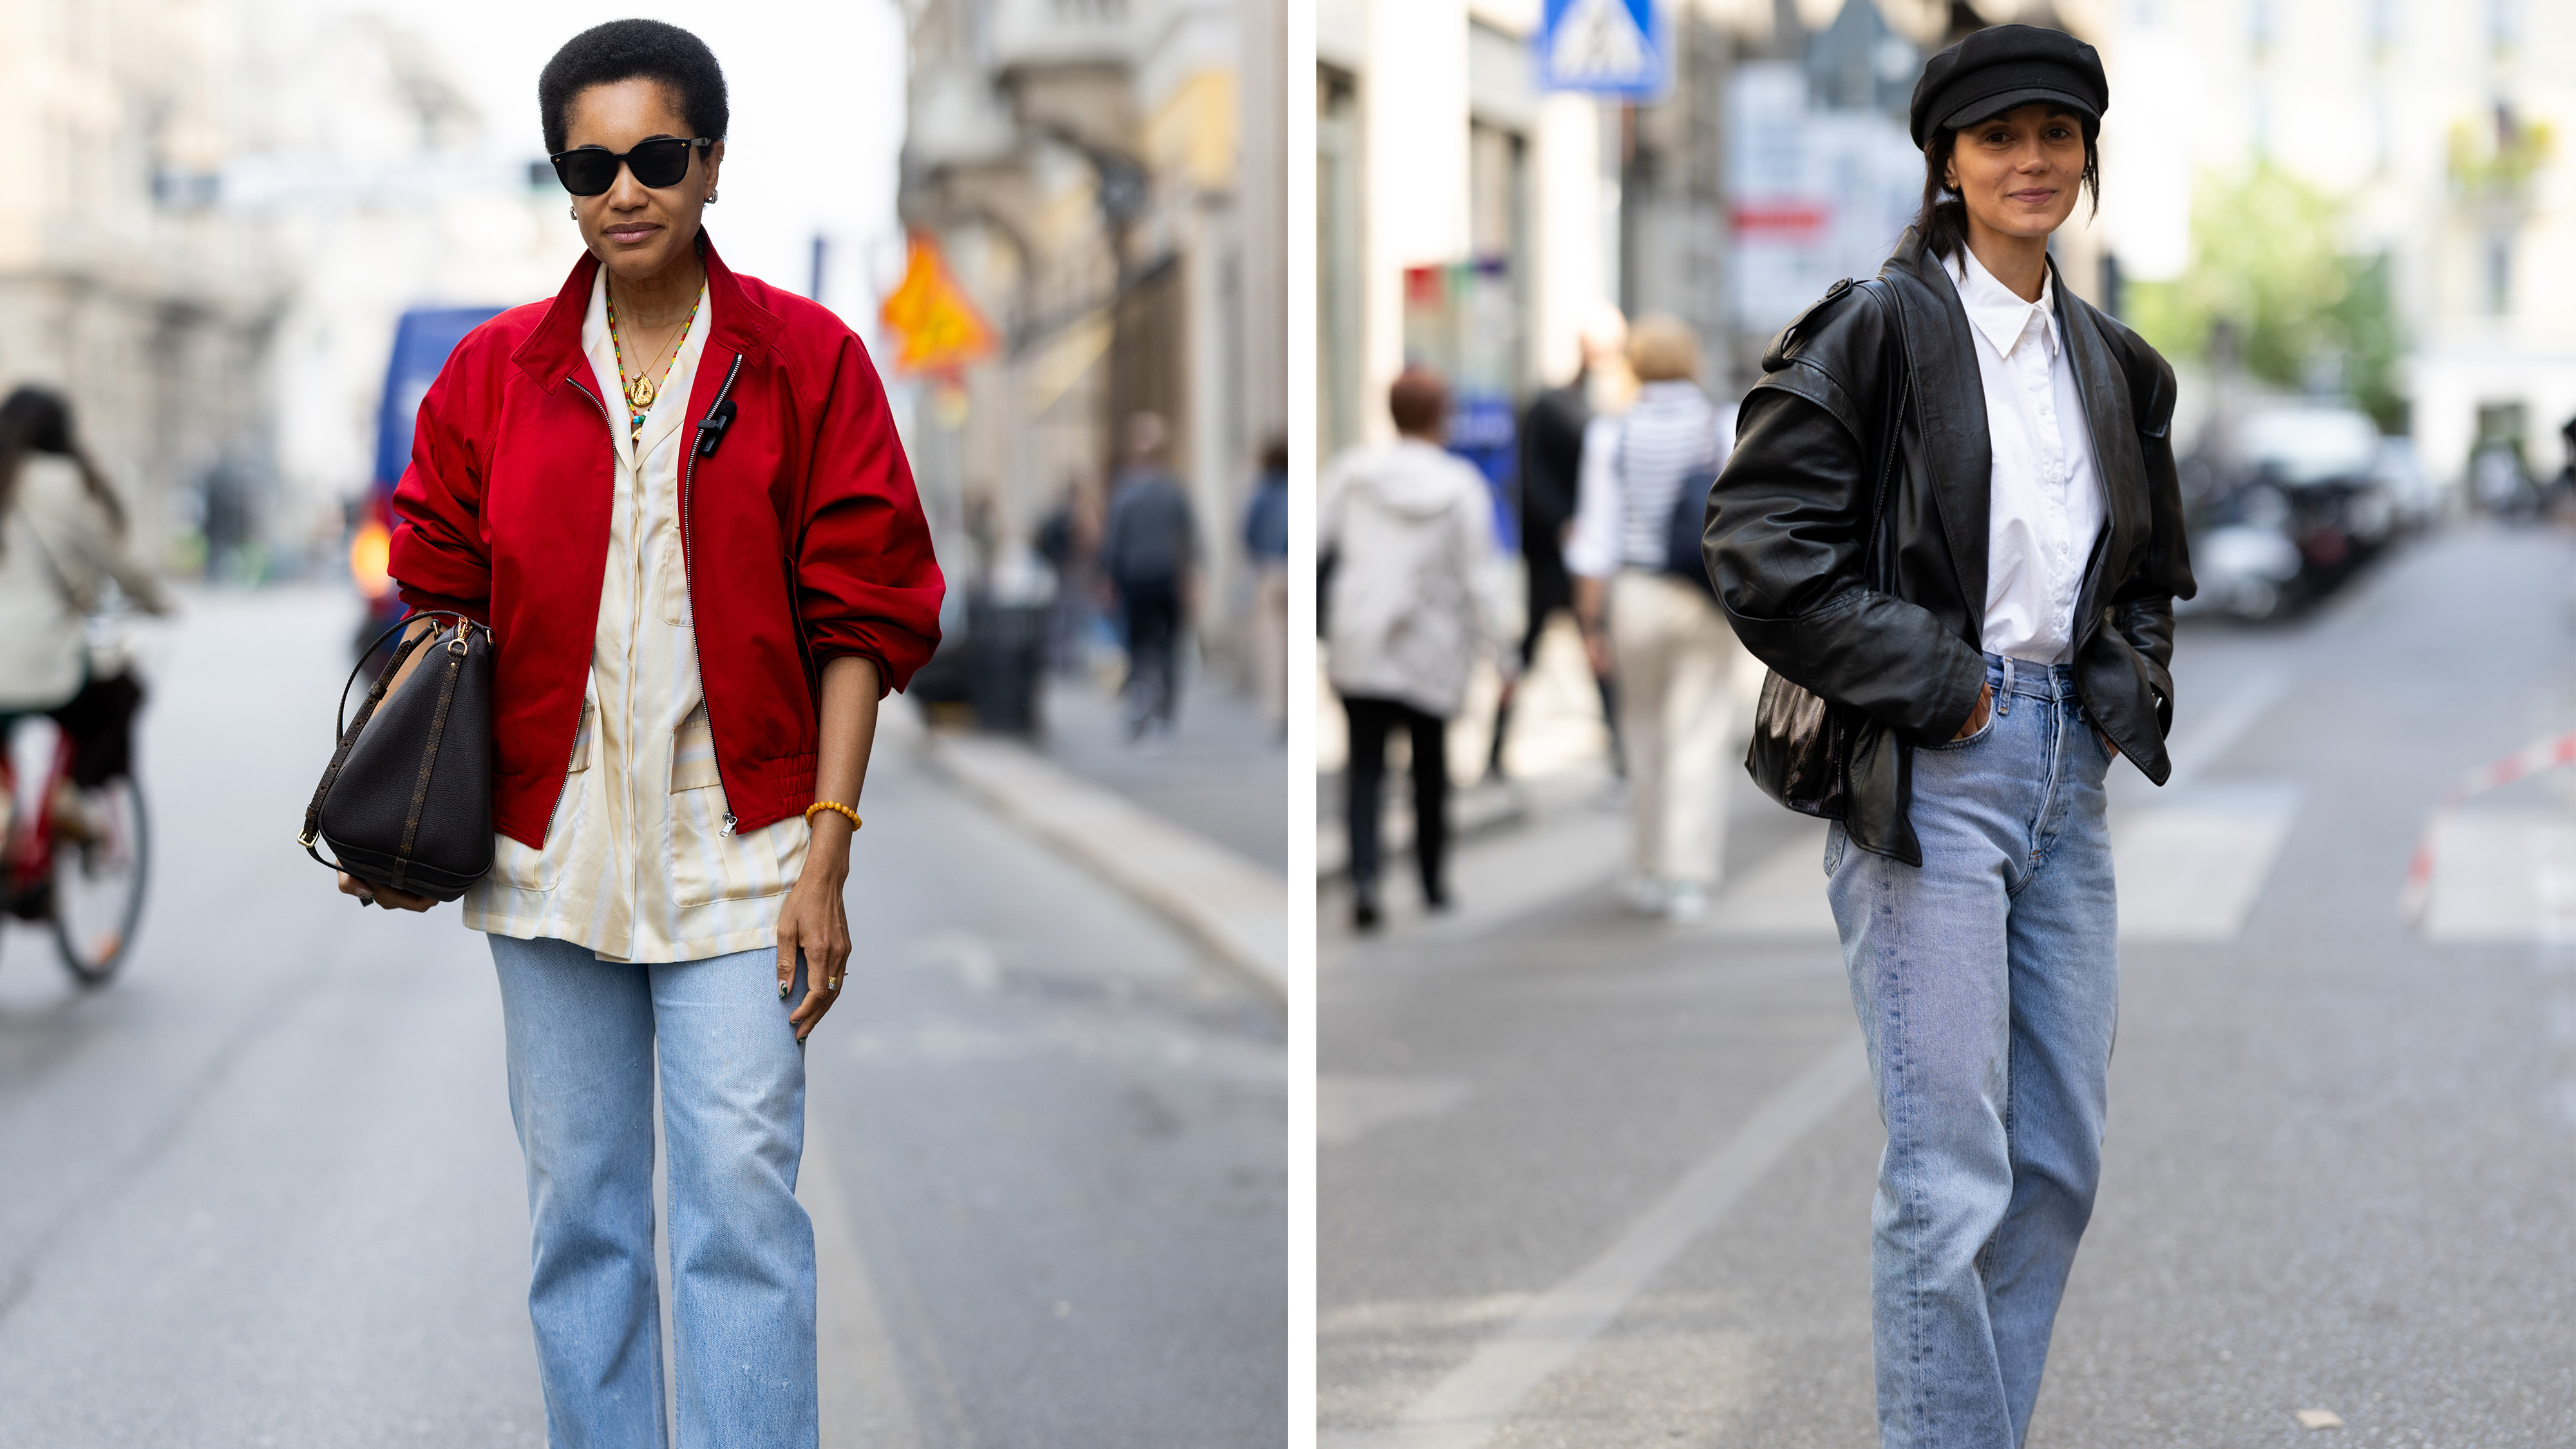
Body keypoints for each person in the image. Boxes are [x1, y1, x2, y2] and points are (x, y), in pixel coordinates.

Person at [343, 21, 945, 1444]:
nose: (625, 189)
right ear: (562, 177)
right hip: (545, 863)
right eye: (590, 161)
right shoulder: (494, 374)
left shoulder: (808, 362)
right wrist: (402, 812)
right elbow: (433, 596)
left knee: (739, 1206)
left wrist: (827, 855)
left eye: (655, 157)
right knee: (580, 1222)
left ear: (712, 166)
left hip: (743, 863)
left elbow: (866, 615)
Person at [1706, 26, 2192, 1446]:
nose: (2031, 160)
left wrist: (2115, 698)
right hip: (1933, 765)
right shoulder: (1878, 327)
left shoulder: (2115, 362)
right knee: (1946, 1175)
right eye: (1998, 138)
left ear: (2086, 157)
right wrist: (1944, 686)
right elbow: (1755, 542)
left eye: (2056, 135)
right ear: (1946, 163)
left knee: (2053, 1163)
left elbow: (2149, 571)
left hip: (2061, 773)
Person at [1566, 315, 1743, 923]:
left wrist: (1589, 623)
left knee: (1641, 732)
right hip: (1702, 595)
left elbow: (1595, 540)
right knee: (1698, 733)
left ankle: (1647, 867)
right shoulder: (1718, 427)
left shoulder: (1610, 435)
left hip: (1636, 594)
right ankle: (1688, 876)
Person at [1321, 367, 1510, 932]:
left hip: (1361, 637)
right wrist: (1505, 655)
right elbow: (1483, 580)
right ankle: (1431, 883)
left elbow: (1308, 547)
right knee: (1431, 769)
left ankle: (1364, 881)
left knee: (1364, 770)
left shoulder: (1351, 473)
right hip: (1433, 644)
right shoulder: (1462, 485)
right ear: (1441, 415)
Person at [0, 388, 171, 842]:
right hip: (43, 662)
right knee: (120, 695)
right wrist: (157, 601)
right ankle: (71, 794)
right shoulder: (65, 481)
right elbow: (121, 559)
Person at [1489, 309, 1626, 781]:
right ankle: (1493, 752)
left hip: (1585, 557)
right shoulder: (1552, 407)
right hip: (1553, 557)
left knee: (1595, 649)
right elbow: (1530, 481)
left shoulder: (1605, 409)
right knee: (1531, 649)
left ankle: (1622, 757)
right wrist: (1564, 523)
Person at [1100, 411, 1197, 737]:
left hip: (1144, 578)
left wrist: (1109, 578)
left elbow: (1114, 539)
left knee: (1143, 646)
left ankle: (1147, 705)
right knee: (1162, 646)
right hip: (1158, 577)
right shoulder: (1171, 489)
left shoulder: (1129, 490)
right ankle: (1159, 709)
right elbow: (1190, 536)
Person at [1242, 436, 1290, 733]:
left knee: (1273, 647)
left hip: (1271, 570)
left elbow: (1247, 533)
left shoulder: (1262, 492)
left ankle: (1278, 713)